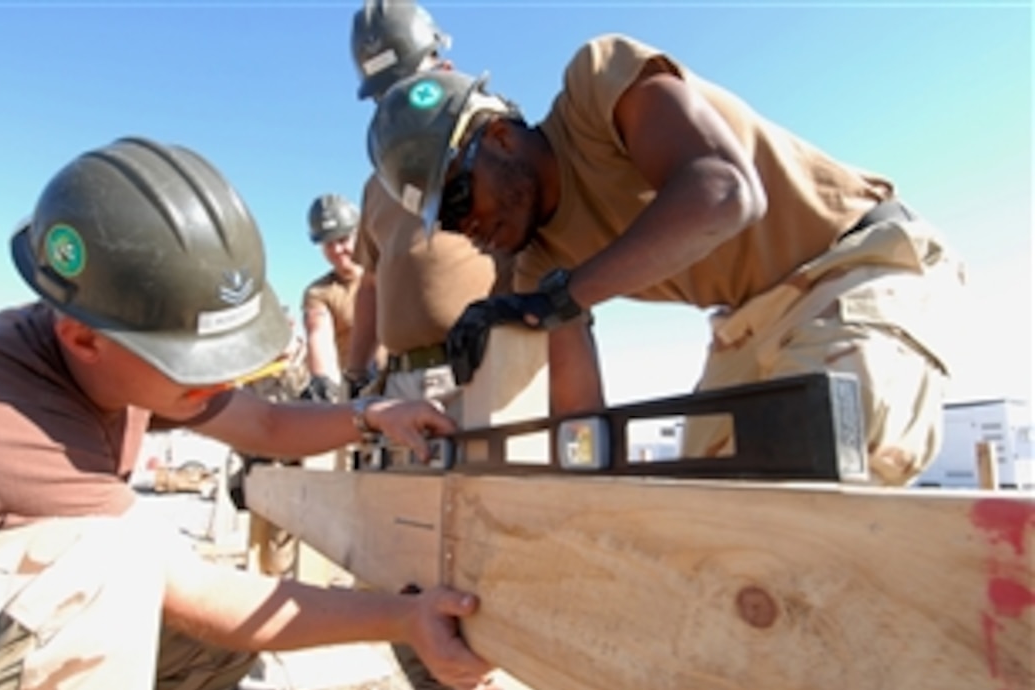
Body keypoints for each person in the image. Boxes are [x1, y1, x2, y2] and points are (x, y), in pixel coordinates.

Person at [0, 136, 499, 690]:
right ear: (83, 341)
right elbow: (190, 587)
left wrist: (369, 417)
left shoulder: (116, 353)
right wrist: (401, 616)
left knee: (213, 642)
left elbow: (263, 421)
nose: (221, 381)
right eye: (198, 366)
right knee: (109, 570)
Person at [366, 35, 967, 486]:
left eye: (462, 197)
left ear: (497, 137)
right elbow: (581, 420)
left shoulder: (596, 85)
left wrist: (558, 300)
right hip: (747, 323)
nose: (466, 228)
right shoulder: (539, 263)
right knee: (703, 519)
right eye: (447, 221)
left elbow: (727, 192)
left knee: (809, 498)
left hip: (856, 264)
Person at [345, 0, 511, 422]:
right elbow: (370, 286)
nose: (396, 106)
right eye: (386, 96)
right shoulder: (377, 183)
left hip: (488, 369)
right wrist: (353, 375)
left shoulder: (495, 136)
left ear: (444, 66)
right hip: (401, 389)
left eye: (406, 88)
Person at [303, 193, 378, 403]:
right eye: (328, 244)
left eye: (343, 240)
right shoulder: (320, 292)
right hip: (358, 392)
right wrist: (323, 380)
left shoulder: (387, 275)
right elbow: (318, 332)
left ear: (359, 234)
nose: (336, 250)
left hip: (401, 382)